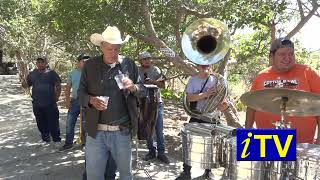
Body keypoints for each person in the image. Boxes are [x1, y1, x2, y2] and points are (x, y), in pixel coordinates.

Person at [78, 26, 145, 180]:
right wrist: (91, 100)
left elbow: (143, 91)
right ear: (101, 47)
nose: (113, 53)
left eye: (116, 49)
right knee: (94, 176)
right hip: (96, 133)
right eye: (109, 49)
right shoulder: (90, 66)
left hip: (121, 131)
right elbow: (80, 94)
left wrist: (134, 87)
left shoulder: (129, 64)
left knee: (126, 176)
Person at [245, 37, 320, 144]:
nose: (287, 58)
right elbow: (251, 106)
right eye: (282, 54)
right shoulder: (261, 76)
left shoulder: (308, 72)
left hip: (301, 146)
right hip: (265, 144)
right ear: (271, 56)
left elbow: (319, 105)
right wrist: (247, 133)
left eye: (291, 54)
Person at [176, 64, 242, 180]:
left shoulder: (217, 80)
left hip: (213, 117)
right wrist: (205, 94)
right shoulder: (193, 80)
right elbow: (189, 98)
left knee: (211, 144)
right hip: (197, 115)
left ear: (211, 66)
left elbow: (221, 103)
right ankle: (186, 172)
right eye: (202, 65)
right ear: (198, 67)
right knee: (189, 142)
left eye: (207, 65)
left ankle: (208, 171)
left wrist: (224, 107)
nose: (205, 67)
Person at [137, 51, 170, 164]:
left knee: (159, 129)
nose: (147, 60)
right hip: (143, 103)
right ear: (140, 61)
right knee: (148, 128)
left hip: (157, 103)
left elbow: (163, 85)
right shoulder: (137, 71)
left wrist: (153, 82)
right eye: (144, 59)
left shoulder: (156, 70)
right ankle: (151, 151)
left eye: (148, 58)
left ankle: (161, 153)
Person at [22, 57, 62, 145]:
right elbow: (26, 85)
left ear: (46, 63)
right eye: (38, 62)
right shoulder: (32, 74)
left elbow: (58, 86)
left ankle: (56, 139)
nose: (40, 64)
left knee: (53, 122)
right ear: (36, 63)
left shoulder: (51, 73)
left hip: (50, 103)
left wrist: (57, 97)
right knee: (40, 122)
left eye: (42, 62)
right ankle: (45, 138)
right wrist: (23, 80)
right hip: (37, 103)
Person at [59, 53, 90, 151]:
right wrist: (67, 101)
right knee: (70, 123)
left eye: (88, 62)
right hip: (75, 101)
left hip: (87, 101)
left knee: (86, 123)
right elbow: (67, 88)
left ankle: (85, 143)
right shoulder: (73, 73)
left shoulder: (92, 73)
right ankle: (68, 143)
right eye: (83, 61)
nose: (86, 63)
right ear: (78, 62)